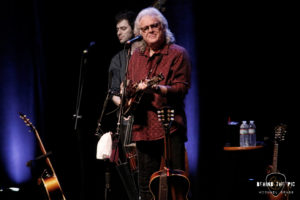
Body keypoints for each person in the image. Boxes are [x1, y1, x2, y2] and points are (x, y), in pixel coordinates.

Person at [125, 7, 191, 200]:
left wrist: (156, 88)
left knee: (177, 184)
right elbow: (129, 86)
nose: (150, 31)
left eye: (155, 26)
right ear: (139, 33)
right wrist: (128, 89)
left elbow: (181, 89)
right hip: (142, 128)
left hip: (169, 127)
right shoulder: (136, 56)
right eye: (145, 29)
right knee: (145, 186)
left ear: (163, 27)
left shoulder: (178, 54)